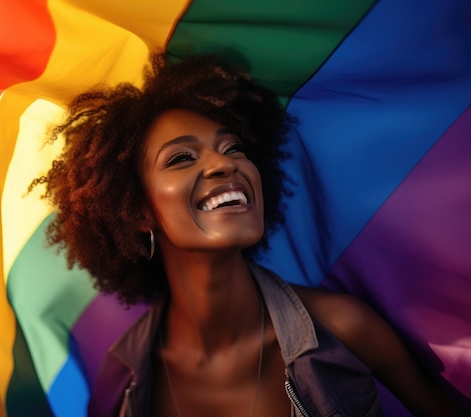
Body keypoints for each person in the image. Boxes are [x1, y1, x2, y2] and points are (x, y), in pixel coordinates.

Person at [33, 54, 463, 417]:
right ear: (138, 212)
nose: (224, 165)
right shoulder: (121, 380)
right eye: (181, 157)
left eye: (233, 148)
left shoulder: (340, 329)